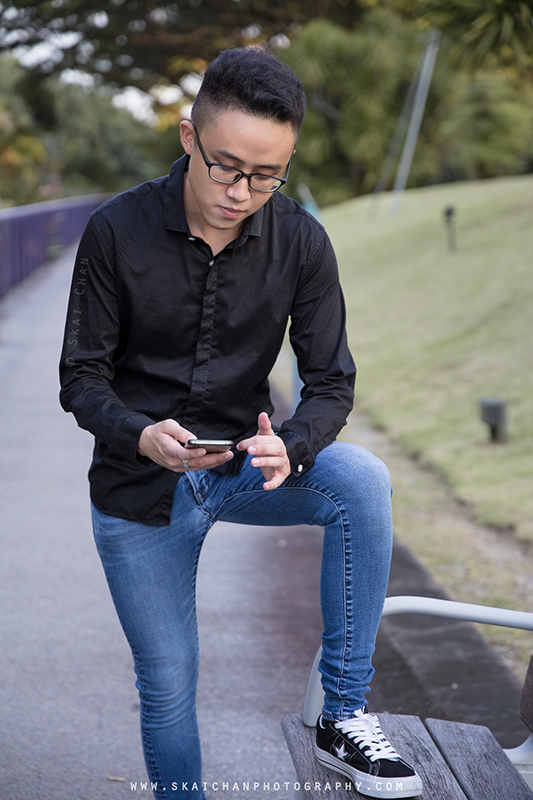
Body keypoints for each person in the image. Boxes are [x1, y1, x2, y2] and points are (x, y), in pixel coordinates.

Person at [59, 47, 422, 800]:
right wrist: (139, 432)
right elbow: (81, 378)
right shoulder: (114, 231)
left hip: (241, 471)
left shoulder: (299, 241)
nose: (241, 192)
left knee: (360, 478)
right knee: (167, 684)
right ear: (188, 136)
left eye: (266, 176)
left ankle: (343, 715)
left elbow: (330, 382)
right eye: (226, 166)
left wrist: (289, 446)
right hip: (139, 487)